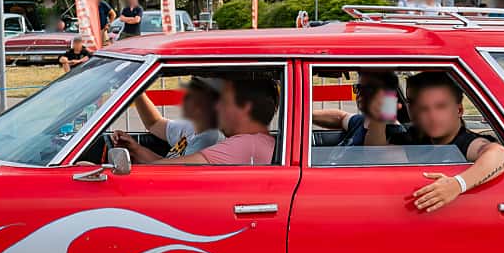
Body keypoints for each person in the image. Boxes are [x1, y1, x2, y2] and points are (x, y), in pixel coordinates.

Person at [403, 70, 504, 212]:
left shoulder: (466, 142)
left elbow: (502, 154)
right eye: (424, 109)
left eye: (441, 107)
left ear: (459, 110)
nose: (432, 116)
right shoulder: (418, 138)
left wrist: (457, 184)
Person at [118, 72, 276, 165]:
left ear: (245, 107)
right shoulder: (253, 142)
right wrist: (137, 150)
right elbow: (155, 123)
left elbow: (165, 171)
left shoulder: (244, 145)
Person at [126, 76, 222, 157]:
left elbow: (176, 171)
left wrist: (137, 150)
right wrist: (137, 91)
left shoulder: (209, 136)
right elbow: (154, 123)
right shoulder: (194, 127)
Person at [311, 69, 403, 146]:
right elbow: (340, 117)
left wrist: (380, 116)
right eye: (358, 88)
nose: (359, 94)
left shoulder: (396, 134)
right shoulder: (363, 121)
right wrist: (305, 116)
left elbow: (375, 156)